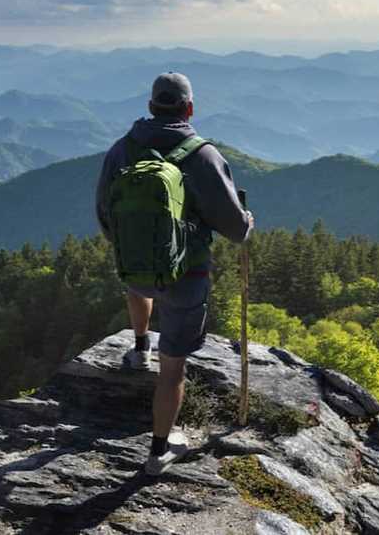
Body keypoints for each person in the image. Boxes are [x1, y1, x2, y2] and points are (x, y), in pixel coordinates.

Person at [95, 72, 254, 475]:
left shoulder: (121, 151)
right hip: (186, 277)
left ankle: (139, 346)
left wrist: (130, 246)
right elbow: (235, 229)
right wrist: (247, 220)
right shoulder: (202, 156)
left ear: (150, 107)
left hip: (134, 269)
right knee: (173, 370)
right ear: (189, 108)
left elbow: (104, 213)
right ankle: (158, 451)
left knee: (139, 287)